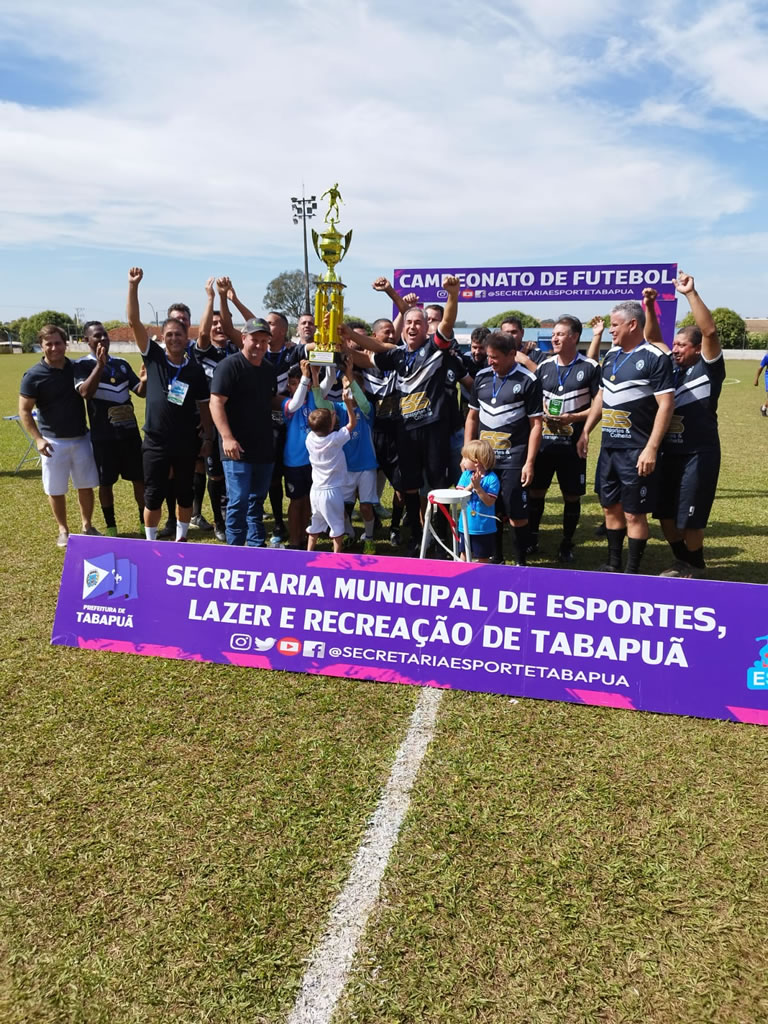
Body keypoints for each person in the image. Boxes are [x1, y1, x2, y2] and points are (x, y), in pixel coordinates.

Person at [347, 276, 473, 554]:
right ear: (402, 328)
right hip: (406, 432)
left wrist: (453, 295)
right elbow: (367, 358)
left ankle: (441, 541)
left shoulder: (437, 348)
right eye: (409, 323)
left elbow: (449, 322)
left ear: (428, 327)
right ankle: (417, 537)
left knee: (438, 489)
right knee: (410, 489)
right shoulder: (398, 355)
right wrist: (342, 338)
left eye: (418, 322)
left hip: (434, 432)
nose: (413, 326)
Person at [577, 300, 674, 573]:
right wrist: (586, 430)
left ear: (633, 324)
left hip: (636, 450)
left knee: (634, 512)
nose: (610, 331)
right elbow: (601, 395)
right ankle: (614, 563)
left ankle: (632, 571)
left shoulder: (655, 356)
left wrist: (651, 448)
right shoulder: (611, 357)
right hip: (610, 449)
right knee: (610, 508)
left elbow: (666, 404)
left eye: (615, 325)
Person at [126, 267, 213, 542]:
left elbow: (203, 405)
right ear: (163, 338)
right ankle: (151, 542)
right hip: (155, 440)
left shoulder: (194, 369)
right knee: (154, 494)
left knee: (184, 492)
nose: (175, 338)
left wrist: (208, 436)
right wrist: (133, 286)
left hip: (186, 441)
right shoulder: (154, 358)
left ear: (187, 337)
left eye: (179, 334)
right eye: (170, 334)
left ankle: (182, 539)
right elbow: (133, 321)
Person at [655, 272, 725, 578]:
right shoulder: (670, 368)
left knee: (691, 520)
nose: (676, 349)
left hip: (699, 453)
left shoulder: (709, 368)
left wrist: (690, 294)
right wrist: (648, 307)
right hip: (668, 454)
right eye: (676, 344)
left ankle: (694, 567)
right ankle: (685, 561)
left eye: (683, 345)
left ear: (697, 349)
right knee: (666, 516)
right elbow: (653, 339)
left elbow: (709, 331)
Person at [18, 324, 101, 547]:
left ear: (66, 344)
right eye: (49, 344)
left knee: (85, 485)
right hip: (52, 442)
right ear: (41, 346)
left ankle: (87, 525)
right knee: (56, 489)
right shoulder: (33, 375)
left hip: (81, 438)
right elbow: (24, 410)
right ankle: (63, 530)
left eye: (58, 343)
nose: (54, 347)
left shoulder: (76, 368)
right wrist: (38, 438)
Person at [464, 331, 543, 565]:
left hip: (513, 459)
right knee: (489, 508)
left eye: (495, 357)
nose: (490, 361)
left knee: (515, 511)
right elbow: (471, 418)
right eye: (488, 356)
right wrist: (468, 452)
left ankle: (520, 562)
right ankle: (496, 559)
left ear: (512, 354)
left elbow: (536, 424)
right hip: (484, 460)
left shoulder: (528, 380)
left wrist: (529, 462)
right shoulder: (481, 377)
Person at [527, 316, 600, 562]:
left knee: (571, 495)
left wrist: (574, 418)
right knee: (536, 491)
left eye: (560, 334)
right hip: (545, 445)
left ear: (574, 337)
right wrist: (544, 410)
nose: (554, 338)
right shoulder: (545, 367)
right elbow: (534, 403)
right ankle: (532, 537)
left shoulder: (589, 366)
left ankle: (567, 543)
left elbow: (599, 407)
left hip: (572, 446)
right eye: (554, 334)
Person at [209, 318, 281, 546]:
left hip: (263, 446)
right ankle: (234, 552)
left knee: (256, 501)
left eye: (264, 340)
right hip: (236, 447)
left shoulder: (269, 369)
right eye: (254, 339)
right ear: (243, 338)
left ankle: (255, 547)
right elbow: (216, 403)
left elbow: (270, 401)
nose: (259, 345)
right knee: (238, 501)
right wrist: (227, 438)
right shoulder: (229, 366)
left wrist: (299, 401)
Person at [75, 321, 146, 537]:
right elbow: (85, 393)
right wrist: (100, 365)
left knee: (139, 480)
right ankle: (111, 526)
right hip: (104, 437)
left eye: (104, 335)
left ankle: (144, 523)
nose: (102, 339)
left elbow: (140, 391)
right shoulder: (81, 365)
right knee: (106, 483)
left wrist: (145, 380)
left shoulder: (122, 363)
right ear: (87, 340)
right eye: (96, 336)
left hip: (130, 434)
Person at [192, 278, 241, 541]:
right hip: (212, 424)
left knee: (237, 473)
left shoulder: (236, 349)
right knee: (216, 475)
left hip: (239, 422)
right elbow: (200, 335)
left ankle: (235, 515)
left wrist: (224, 298)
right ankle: (219, 520)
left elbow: (233, 328)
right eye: (215, 323)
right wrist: (211, 297)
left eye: (223, 322)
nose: (219, 326)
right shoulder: (203, 351)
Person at [305, 393, 357, 553]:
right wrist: (348, 403)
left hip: (315, 491)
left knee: (315, 525)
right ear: (329, 427)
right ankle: (336, 557)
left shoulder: (310, 438)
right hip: (332, 492)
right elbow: (352, 423)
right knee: (337, 527)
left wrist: (328, 417)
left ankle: (309, 553)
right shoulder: (335, 439)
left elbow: (319, 425)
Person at [455, 439, 500, 563]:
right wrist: (471, 485)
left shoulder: (492, 479)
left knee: (483, 558)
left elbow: (489, 502)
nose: (462, 462)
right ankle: (462, 579)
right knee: (464, 554)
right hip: (465, 525)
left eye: (465, 458)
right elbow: (460, 496)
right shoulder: (466, 475)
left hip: (484, 528)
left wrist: (478, 488)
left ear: (476, 462)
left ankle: (482, 580)